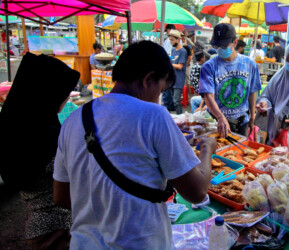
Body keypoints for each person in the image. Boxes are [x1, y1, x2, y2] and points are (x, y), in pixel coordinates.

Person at [53, 41, 216, 249]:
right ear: (148, 80)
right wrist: (207, 151)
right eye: (160, 91)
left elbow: (61, 196)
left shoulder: (73, 120)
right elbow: (197, 191)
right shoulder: (154, 115)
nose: (159, 99)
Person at [0, 53, 80, 249]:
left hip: (38, 227)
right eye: (64, 92)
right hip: (57, 232)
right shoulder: (45, 137)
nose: (68, 97)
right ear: (47, 93)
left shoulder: (17, 127)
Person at [199, 23, 262, 138]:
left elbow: (252, 92)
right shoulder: (209, 67)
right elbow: (208, 96)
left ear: (235, 42)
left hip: (241, 122)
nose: (220, 49)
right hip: (216, 123)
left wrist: (252, 115)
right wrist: (220, 117)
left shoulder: (250, 64)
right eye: (217, 46)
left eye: (223, 46)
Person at [162, 29, 187, 115]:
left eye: (172, 40)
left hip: (179, 79)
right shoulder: (173, 50)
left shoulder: (183, 51)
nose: (171, 42)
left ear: (178, 39)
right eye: (170, 40)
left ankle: (180, 118)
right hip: (172, 78)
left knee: (176, 101)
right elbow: (173, 61)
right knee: (171, 100)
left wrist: (169, 63)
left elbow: (180, 66)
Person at [190, 49, 206, 113]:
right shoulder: (201, 67)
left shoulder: (193, 66)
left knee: (195, 102)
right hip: (201, 90)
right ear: (202, 58)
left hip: (195, 89)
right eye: (204, 57)